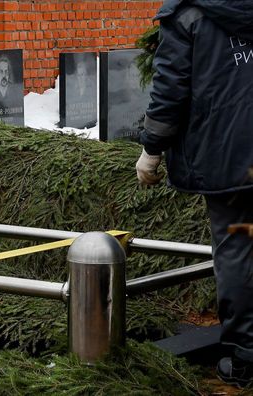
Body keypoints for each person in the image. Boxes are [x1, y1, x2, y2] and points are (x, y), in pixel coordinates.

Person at [135, 0, 253, 387]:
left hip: (231, 158)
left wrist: (151, 149)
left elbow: (171, 89)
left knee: (239, 246)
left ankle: (246, 357)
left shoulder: (189, 15)